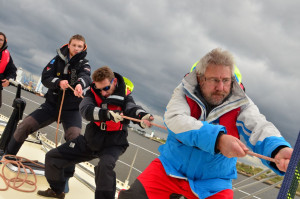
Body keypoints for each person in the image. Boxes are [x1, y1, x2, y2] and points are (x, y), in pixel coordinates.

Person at [118, 48, 293, 199]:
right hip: (170, 167)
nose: (221, 87)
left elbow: (259, 127)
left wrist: (277, 149)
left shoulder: (243, 104)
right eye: (214, 80)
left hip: (215, 181)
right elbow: (176, 119)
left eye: (226, 81)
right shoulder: (183, 92)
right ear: (200, 79)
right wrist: (219, 140)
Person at [37, 66, 154, 199]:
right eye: (99, 89)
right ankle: (57, 191)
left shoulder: (125, 96)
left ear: (114, 82)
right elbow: (85, 109)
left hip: (113, 143)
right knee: (53, 157)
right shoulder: (92, 93)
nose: (103, 93)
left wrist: (142, 117)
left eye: (105, 88)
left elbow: (133, 108)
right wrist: (107, 114)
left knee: (105, 167)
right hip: (90, 140)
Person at [4, 34, 92, 191]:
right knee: (25, 125)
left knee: (74, 139)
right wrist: (58, 82)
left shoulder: (84, 63)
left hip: (71, 110)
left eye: (80, 46)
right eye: (74, 45)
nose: (77, 49)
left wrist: (79, 84)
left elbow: (86, 76)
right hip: (51, 105)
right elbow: (45, 77)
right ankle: (8, 157)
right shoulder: (57, 59)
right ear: (69, 45)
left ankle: (65, 178)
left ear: (83, 48)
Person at [0, 32, 17, 108]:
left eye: (1, 40)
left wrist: (8, 80)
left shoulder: (7, 56)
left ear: (4, 42)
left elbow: (12, 72)